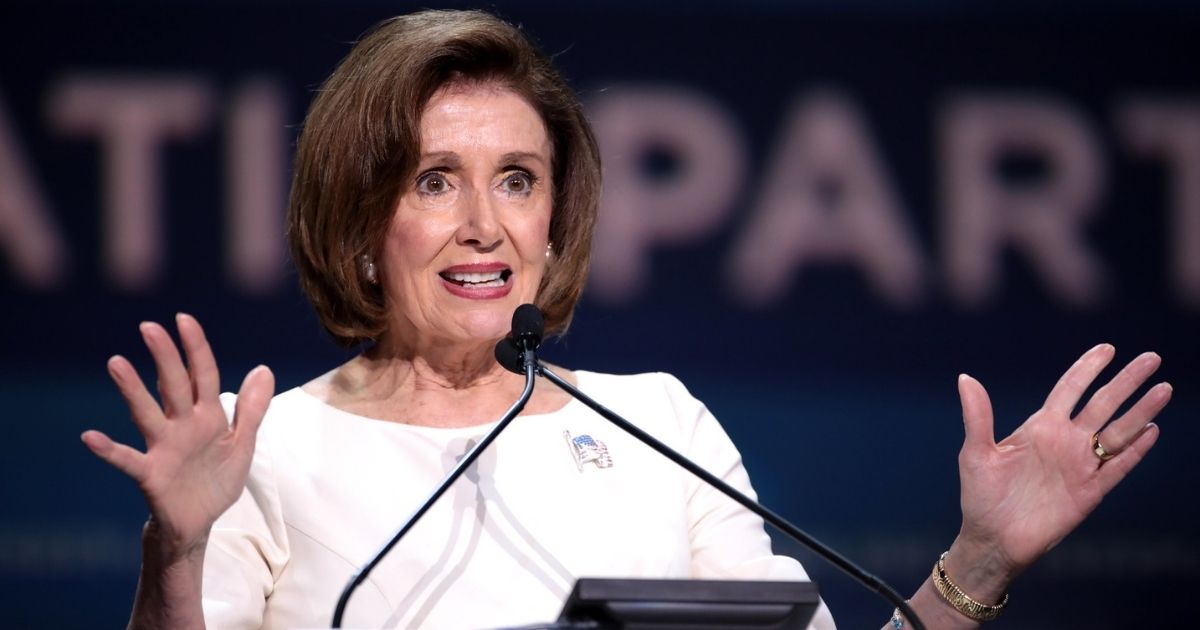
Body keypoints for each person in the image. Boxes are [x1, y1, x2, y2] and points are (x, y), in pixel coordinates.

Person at [80, 9, 1172, 630]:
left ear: (555, 223)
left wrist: (977, 563)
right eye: (431, 183)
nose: (483, 227)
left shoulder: (661, 424)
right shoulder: (257, 446)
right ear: (360, 223)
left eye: (517, 181)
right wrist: (174, 555)